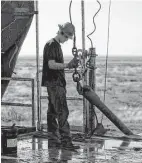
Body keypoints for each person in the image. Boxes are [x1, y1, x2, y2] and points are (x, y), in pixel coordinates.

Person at [41, 22, 79, 150]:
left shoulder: (53, 45)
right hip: (55, 83)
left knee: (52, 113)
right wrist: (68, 65)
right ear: (61, 33)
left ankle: (53, 141)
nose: (67, 40)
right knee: (62, 112)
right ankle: (66, 142)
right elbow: (51, 65)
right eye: (67, 37)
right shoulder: (53, 45)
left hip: (53, 83)